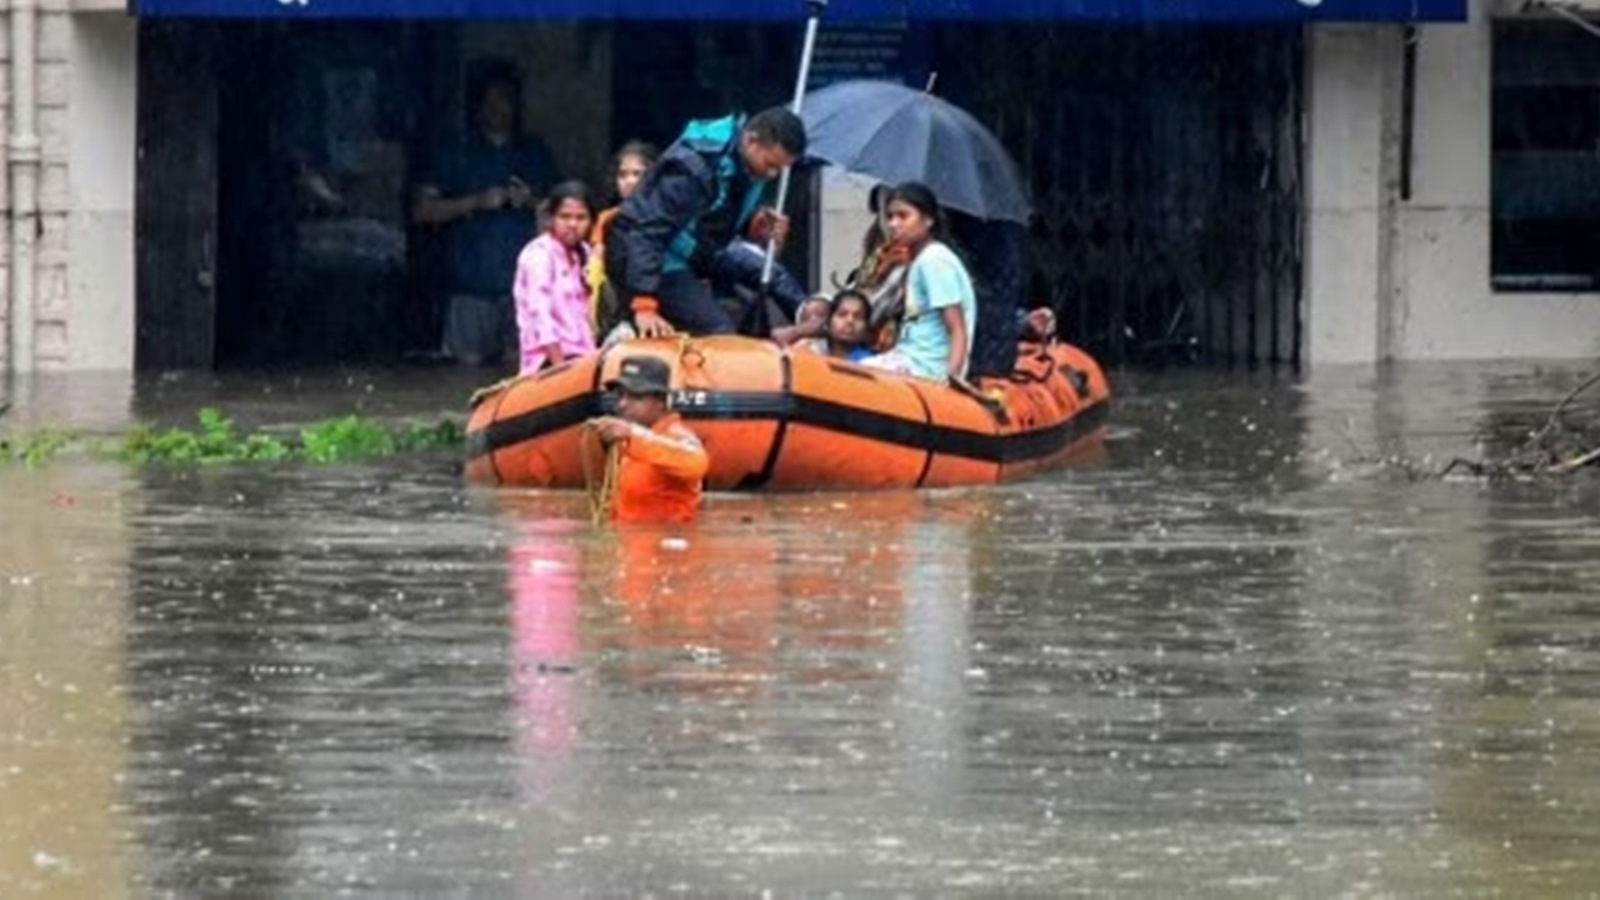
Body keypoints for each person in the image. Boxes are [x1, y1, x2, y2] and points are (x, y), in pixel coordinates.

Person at [605, 106, 807, 339]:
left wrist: (753, 223)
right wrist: (644, 305)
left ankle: (806, 309)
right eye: (770, 165)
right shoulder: (694, 167)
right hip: (653, 255)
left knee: (765, 272)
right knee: (718, 330)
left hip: (698, 249)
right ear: (752, 141)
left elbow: (714, 214)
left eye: (780, 169)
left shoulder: (747, 164)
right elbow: (649, 231)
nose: (772, 175)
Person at [414, 59, 560, 365]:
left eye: (504, 99)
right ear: (477, 105)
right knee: (460, 378)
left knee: (524, 378)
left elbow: (569, 213)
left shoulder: (534, 151)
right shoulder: (456, 151)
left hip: (527, 294)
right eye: (489, 100)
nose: (497, 108)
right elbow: (423, 211)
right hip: (470, 290)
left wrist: (531, 201)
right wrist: (476, 202)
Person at [861, 182, 978, 382]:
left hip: (926, 368)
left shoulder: (934, 261)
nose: (893, 224)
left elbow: (957, 329)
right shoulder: (920, 260)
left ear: (928, 220)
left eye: (903, 216)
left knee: (859, 376)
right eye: (890, 217)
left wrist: (951, 380)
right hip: (909, 358)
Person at [588, 356, 710, 524]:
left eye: (635, 397)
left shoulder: (677, 436)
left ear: (660, 402)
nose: (622, 404)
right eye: (620, 396)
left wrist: (632, 433)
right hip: (630, 542)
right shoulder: (628, 443)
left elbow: (697, 463)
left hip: (665, 545)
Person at [513, 181, 597, 376]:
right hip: (547, 360)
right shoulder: (539, 254)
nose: (573, 224)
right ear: (550, 219)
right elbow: (539, 313)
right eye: (565, 217)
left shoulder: (584, 252)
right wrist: (559, 366)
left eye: (581, 218)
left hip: (583, 354)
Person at [588, 141, 658, 340]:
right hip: (623, 317)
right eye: (623, 175)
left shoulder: (666, 219)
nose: (629, 181)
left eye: (637, 174)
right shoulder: (608, 221)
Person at [788, 290, 874, 363]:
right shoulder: (808, 350)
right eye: (842, 314)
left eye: (858, 317)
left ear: (866, 329)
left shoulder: (870, 363)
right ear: (829, 321)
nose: (850, 321)